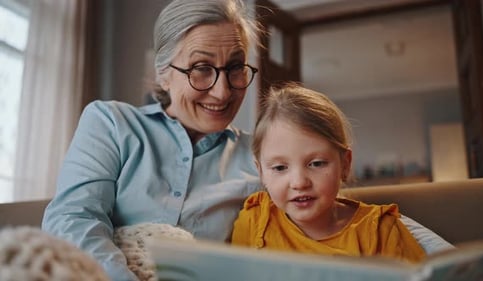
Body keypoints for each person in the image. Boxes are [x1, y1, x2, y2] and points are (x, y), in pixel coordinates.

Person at [41, 0, 451, 280]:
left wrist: (451, 259)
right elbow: (72, 219)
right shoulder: (111, 123)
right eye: (201, 69)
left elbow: (348, 214)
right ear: (163, 72)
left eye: (235, 67)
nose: (223, 92)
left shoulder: (264, 160)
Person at [231, 83, 426, 263]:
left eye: (316, 164)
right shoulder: (254, 221)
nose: (299, 183)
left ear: (345, 164)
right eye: (280, 168)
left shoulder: (381, 231)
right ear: (261, 173)